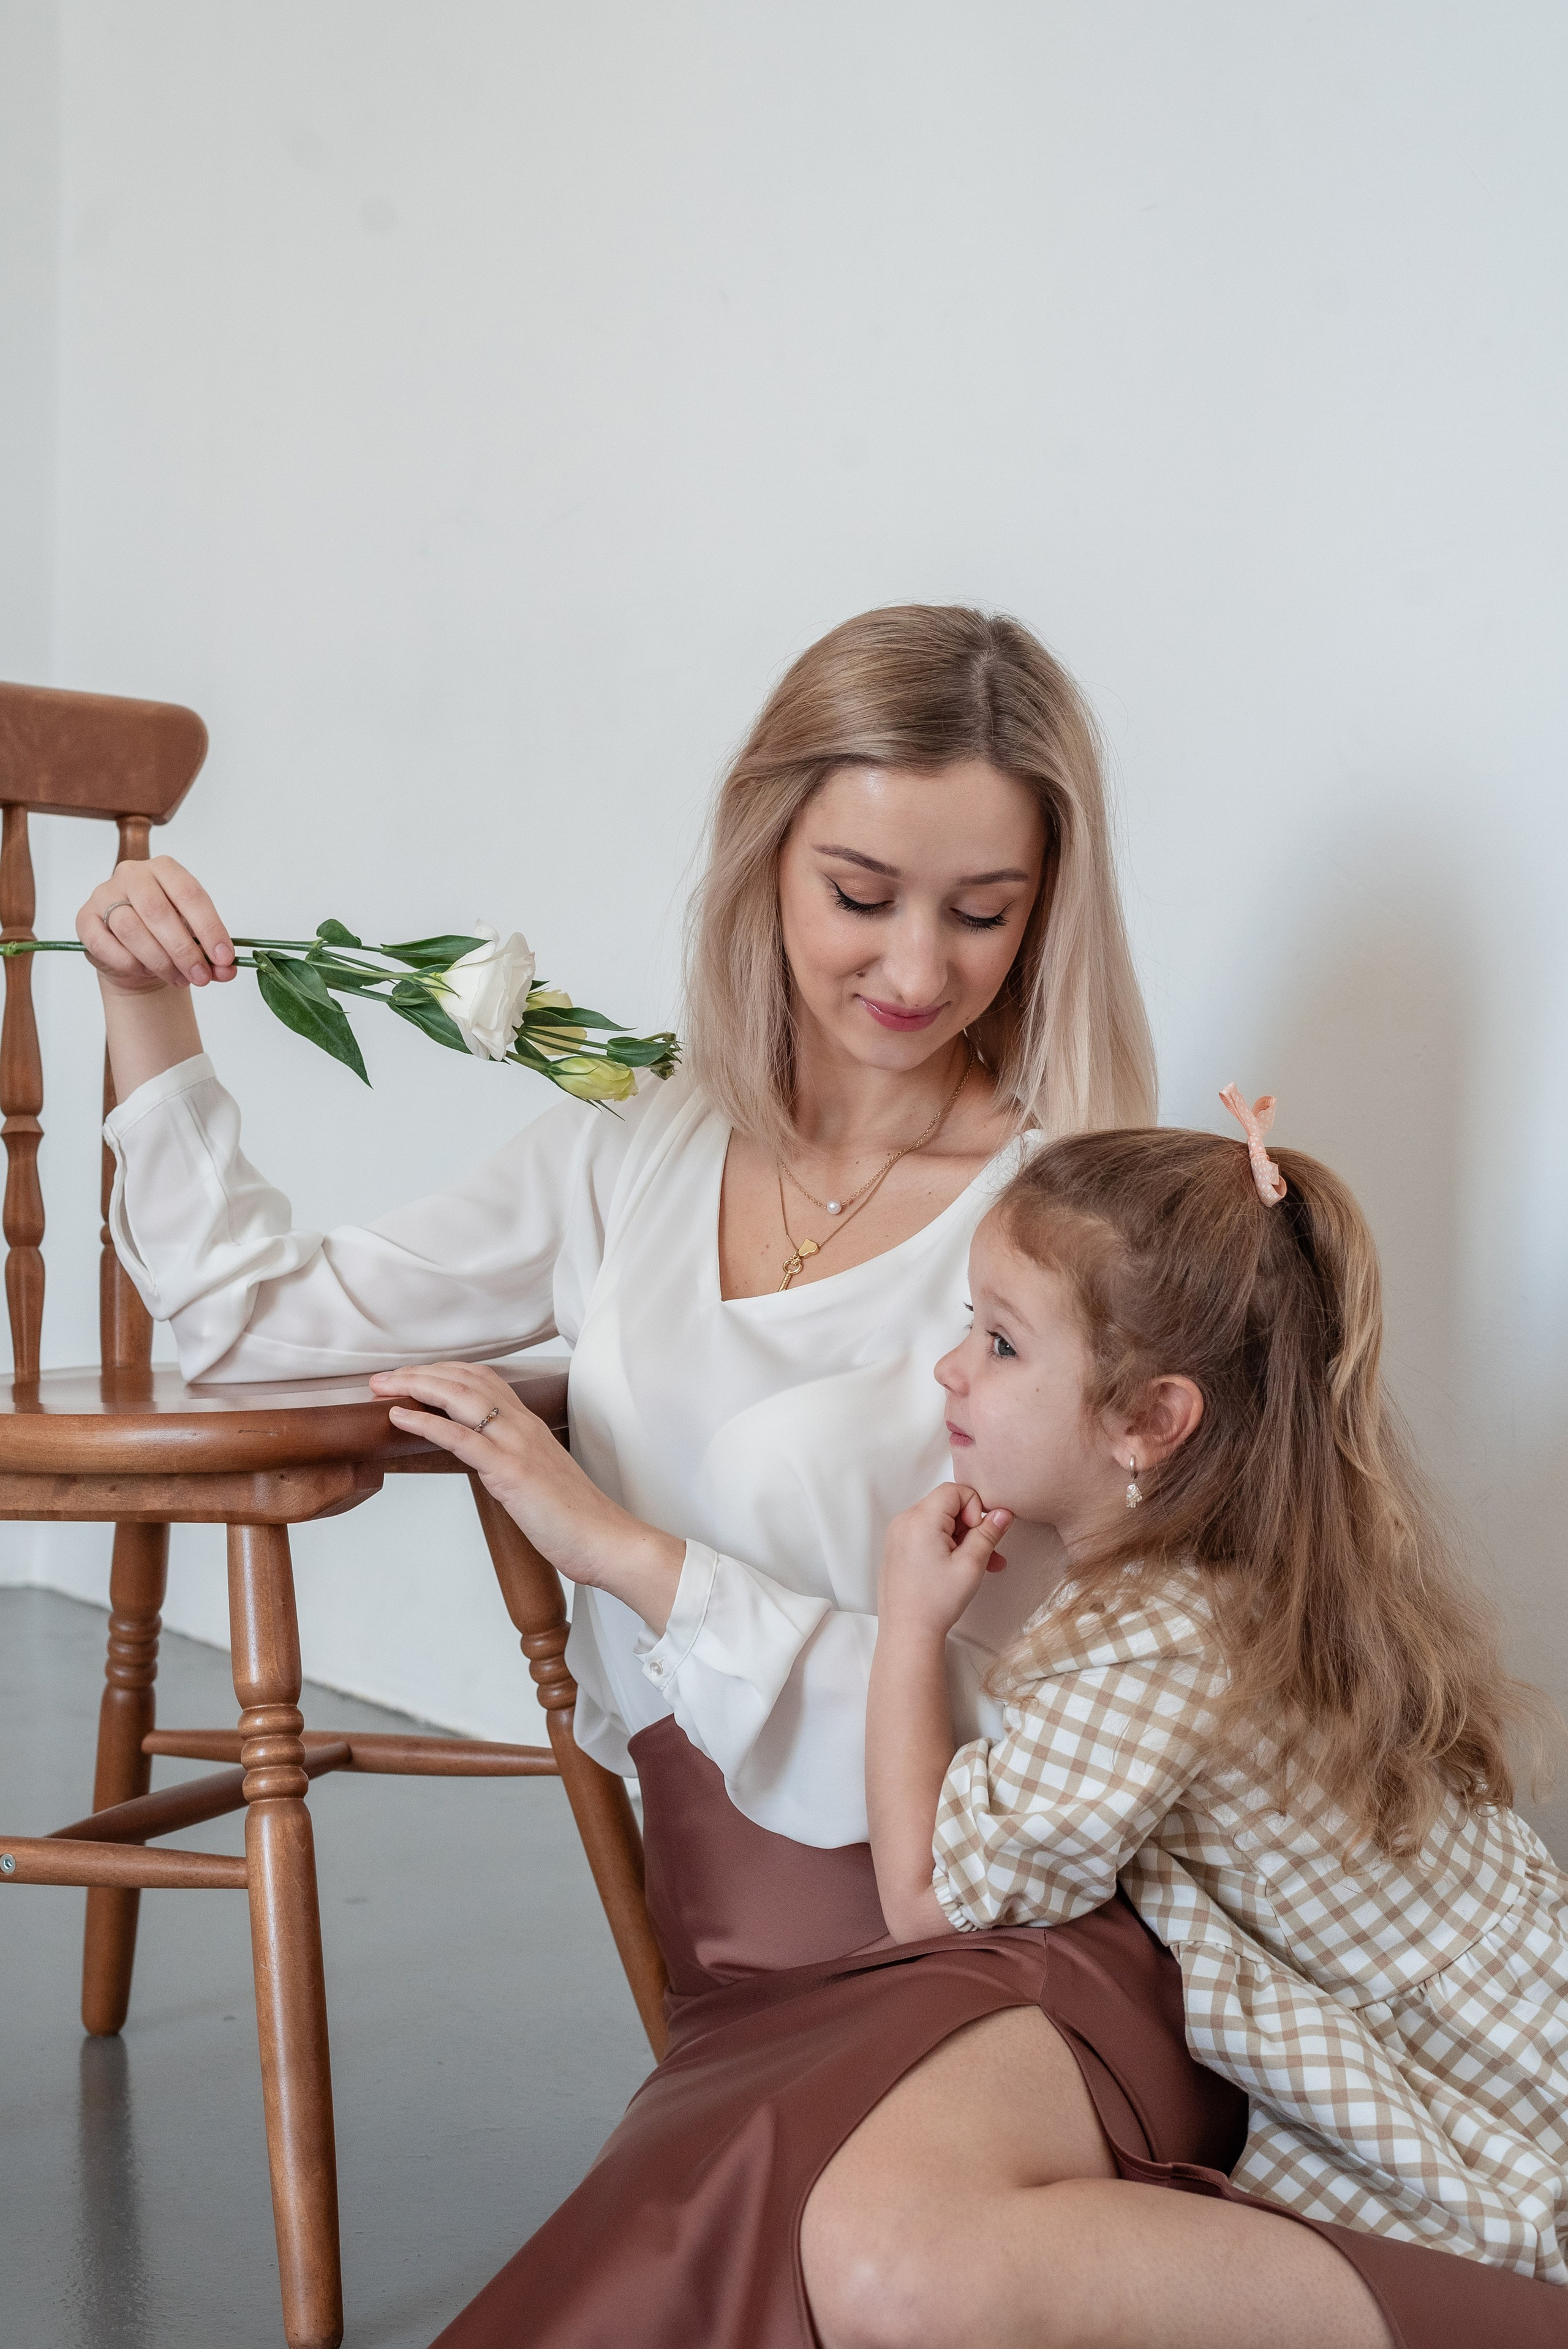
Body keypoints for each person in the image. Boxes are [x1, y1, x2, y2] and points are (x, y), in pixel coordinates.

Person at [80, 606, 1545, 2345]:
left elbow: (1101, 1691)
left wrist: (624, 1548)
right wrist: (142, 1016)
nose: (918, 966)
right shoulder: (628, 1142)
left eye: (984, 911)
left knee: (780, 2261)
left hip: (1018, 1917)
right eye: (863, 891)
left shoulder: (1062, 1219)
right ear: (763, 855)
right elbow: (254, 1328)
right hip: (749, 1939)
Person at [856, 1092, 1568, 2349]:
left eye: (1002, 1343)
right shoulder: (1258, 1560)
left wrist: (904, 1626)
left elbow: (927, 1899)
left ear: (1150, 1420)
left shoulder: (1148, 1639)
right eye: (971, 1326)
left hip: (1479, 2068)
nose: (949, 1367)